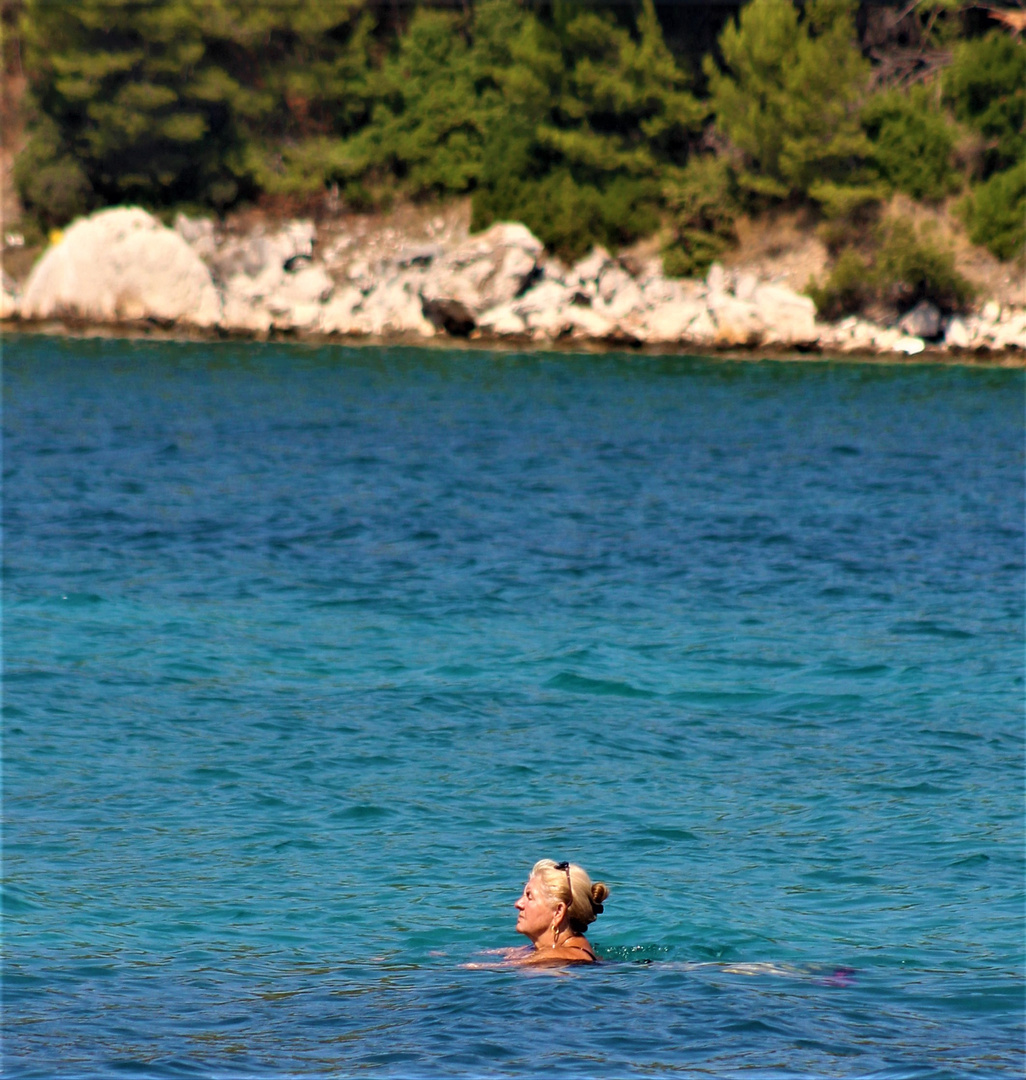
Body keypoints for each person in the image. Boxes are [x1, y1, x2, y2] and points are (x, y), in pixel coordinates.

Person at [513, 859, 609, 965]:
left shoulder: (554, 957)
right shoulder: (540, 951)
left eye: (529, 896)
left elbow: (499, 970)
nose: (518, 904)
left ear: (558, 912)